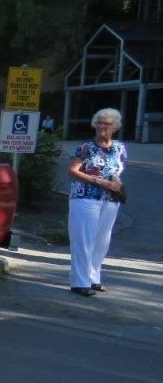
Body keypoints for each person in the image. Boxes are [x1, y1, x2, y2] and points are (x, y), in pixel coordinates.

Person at [67, 107, 126, 297]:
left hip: (109, 199)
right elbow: (73, 171)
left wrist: (117, 184)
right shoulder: (86, 146)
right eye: (99, 122)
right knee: (83, 240)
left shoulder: (119, 148)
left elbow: (117, 171)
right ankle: (79, 282)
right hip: (85, 197)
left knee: (102, 241)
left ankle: (93, 278)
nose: (102, 126)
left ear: (115, 127)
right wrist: (98, 181)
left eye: (107, 124)